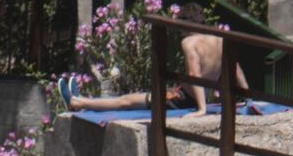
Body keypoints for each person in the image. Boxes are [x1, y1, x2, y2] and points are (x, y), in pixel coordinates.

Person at [58, 33, 249, 117]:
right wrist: (248, 99)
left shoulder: (190, 42)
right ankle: (80, 100)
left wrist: (202, 109)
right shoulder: (220, 40)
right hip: (186, 95)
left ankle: (77, 103)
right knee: (128, 100)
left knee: (125, 101)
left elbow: (194, 73)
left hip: (183, 98)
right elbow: (236, 68)